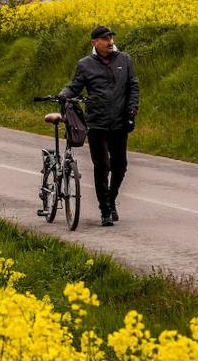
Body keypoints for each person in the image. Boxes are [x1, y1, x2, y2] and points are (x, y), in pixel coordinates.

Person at [58, 25, 140, 226]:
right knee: (102, 166)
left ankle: (111, 200)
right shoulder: (85, 65)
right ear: (95, 42)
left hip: (119, 123)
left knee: (120, 166)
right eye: (105, 39)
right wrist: (63, 95)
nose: (110, 42)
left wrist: (132, 111)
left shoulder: (124, 60)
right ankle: (105, 210)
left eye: (111, 38)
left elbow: (133, 86)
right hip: (97, 124)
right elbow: (74, 86)